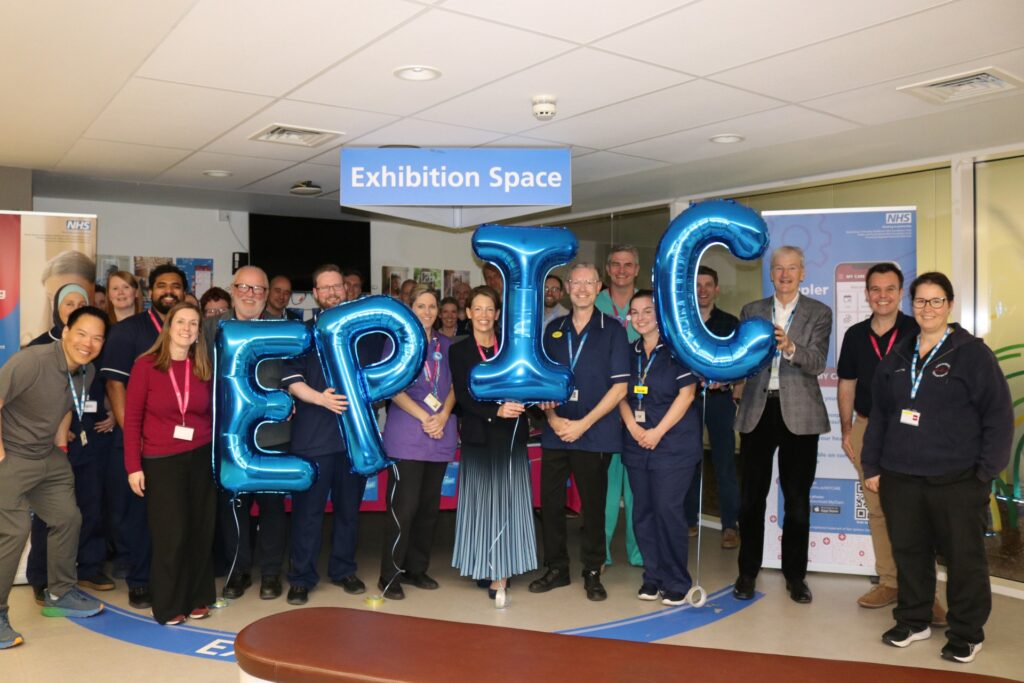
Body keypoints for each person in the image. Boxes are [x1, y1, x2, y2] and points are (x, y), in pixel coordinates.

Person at [862, 272, 1012, 664]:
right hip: (901, 477)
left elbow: (998, 415)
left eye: (936, 300)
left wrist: (985, 473)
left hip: (957, 479)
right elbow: (880, 415)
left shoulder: (972, 354)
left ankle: (967, 632)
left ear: (949, 305)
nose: (928, 308)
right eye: (921, 301)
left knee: (964, 559)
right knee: (909, 552)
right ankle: (914, 620)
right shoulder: (899, 355)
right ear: (911, 305)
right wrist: (872, 464)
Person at [836, 263, 942, 620]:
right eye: (876, 289)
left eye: (890, 289)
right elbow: (847, 384)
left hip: (910, 431)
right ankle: (890, 581)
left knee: (916, 513)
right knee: (878, 509)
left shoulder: (917, 330)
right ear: (867, 294)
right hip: (867, 430)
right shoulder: (855, 335)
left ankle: (926, 593)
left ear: (901, 294)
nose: (882, 296)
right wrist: (847, 430)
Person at [1, 306, 109, 649]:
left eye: (97, 338)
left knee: (68, 518)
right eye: (82, 333)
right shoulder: (31, 362)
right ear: (65, 331)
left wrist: (60, 445)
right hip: (11, 454)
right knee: (14, 531)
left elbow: (66, 406)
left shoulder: (87, 371)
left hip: (46, 455)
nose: (88, 343)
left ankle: (60, 593)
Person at [732, 246, 831, 605]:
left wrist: (790, 347)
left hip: (800, 415)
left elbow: (817, 362)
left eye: (792, 268)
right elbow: (742, 358)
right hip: (758, 411)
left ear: (802, 273)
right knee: (750, 500)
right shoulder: (752, 311)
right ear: (770, 273)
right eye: (778, 268)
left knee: (798, 501)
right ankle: (747, 573)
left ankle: (795, 576)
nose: (785, 275)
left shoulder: (819, 312)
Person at [532, 262, 629, 601]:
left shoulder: (613, 330)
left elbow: (620, 388)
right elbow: (541, 383)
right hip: (556, 431)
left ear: (599, 287)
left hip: (595, 432)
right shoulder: (553, 329)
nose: (583, 289)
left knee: (593, 507)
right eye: (577, 282)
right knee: (551, 505)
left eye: (589, 283)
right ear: (568, 288)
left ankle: (592, 570)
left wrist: (583, 424)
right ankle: (557, 568)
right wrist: (553, 419)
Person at [99, 263, 188, 609]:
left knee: (173, 515)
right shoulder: (128, 331)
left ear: (184, 292)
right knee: (138, 515)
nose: (169, 291)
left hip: (177, 444)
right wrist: (133, 437)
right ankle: (139, 581)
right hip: (138, 442)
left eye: (175, 286)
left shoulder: (188, 332)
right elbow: (114, 385)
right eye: (162, 285)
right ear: (150, 292)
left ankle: (171, 577)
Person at [123, 302, 216, 625]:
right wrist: (133, 466)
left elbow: (213, 412)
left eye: (193, 323)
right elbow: (132, 420)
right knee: (170, 534)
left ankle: (198, 597)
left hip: (201, 456)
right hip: (161, 461)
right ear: (168, 326)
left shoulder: (203, 366)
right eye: (181, 322)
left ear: (198, 332)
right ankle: (168, 604)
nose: (187, 329)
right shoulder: (146, 366)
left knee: (200, 531)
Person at [281, 264, 367, 605]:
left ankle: (344, 569)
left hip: (353, 441)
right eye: (325, 288)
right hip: (313, 440)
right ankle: (301, 577)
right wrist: (321, 399)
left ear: (345, 289)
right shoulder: (302, 334)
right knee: (307, 514)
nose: (332, 292)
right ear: (315, 294)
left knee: (349, 512)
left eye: (337, 286)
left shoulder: (362, 333)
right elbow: (291, 380)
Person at [26, 285, 115, 604]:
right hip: (51, 445)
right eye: (69, 303)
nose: (75, 307)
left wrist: (112, 413)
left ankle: (89, 567)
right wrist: (54, 429)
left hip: (90, 439)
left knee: (91, 505)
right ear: (59, 310)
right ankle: (41, 577)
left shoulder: (93, 349)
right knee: (50, 512)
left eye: (81, 302)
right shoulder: (38, 348)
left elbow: (106, 385)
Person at [205, 267, 288, 601]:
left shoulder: (284, 329)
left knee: (272, 508)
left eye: (258, 289)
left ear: (266, 294)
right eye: (244, 287)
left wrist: (291, 398)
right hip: (229, 437)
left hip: (272, 437)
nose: (250, 294)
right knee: (233, 508)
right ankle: (237, 571)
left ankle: (270, 574)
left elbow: (295, 375)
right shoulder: (211, 328)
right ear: (232, 289)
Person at [450, 286, 536, 608]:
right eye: (478, 309)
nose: (484, 315)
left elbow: (526, 385)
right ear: (468, 313)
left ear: (498, 314)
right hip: (479, 433)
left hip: (511, 434)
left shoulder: (512, 348)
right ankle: (482, 563)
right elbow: (463, 395)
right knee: (479, 503)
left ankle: (502, 569)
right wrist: (495, 411)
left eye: (490, 309)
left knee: (508, 501)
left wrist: (529, 402)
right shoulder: (459, 351)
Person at [618, 291, 701, 605]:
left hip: (673, 445)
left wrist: (657, 432)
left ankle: (676, 580)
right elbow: (619, 394)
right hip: (636, 442)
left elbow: (687, 395)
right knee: (643, 512)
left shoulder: (679, 349)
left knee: (668, 511)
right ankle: (652, 577)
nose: (640, 318)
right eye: (635, 312)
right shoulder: (628, 352)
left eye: (648, 311)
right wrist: (633, 427)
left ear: (661, 313)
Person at [378, 285, 457, 600]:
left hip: (440, 432)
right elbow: (391, 387)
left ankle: (416, 569)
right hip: (408, 435)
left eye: (432, 306)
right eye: (421, 306)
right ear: (409, 309)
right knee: (404, 508)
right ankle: (390, 574)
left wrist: (443, 414)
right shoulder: (396, 343)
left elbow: (456, 386)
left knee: (428, 508)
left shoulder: (447, 345)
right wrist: (426, 417)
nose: (427, 311)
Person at [684, 266, 741, 549]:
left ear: (716, 289)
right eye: (697, 285)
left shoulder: (730, 323)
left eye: (708, 284)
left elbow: (739, 362)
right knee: (689, 461)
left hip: (720, 400)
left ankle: (730, 525)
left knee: (724, 463)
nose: (702, 290)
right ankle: (689, 520)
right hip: (687, 400)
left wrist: (728, 381)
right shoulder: (682, 322)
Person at [594, 245, 642, 568]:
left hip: (641, 404)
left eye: (628, 265)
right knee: (606, 487)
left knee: (638, 486)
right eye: (616, 264)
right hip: (604, 405)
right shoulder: (594, 302)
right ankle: (601, 552)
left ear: (637, 269)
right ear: (608, 269)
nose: (622, 270)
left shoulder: (649, 304)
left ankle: (639, 551)